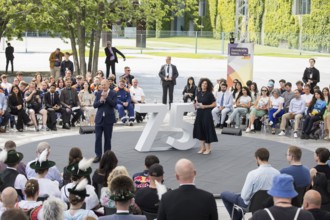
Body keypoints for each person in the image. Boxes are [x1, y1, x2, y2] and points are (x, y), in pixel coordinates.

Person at [221, 148, 280, 220]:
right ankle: (238, 214)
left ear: (257, 158)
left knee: (224, 194)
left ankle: (236, 217)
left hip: (252, 205)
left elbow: (244, 197)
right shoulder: (277, 173)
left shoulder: (253, 174)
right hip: (270, 204)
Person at [93, 79, 117, 163]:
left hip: (108, 119)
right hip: (99, 119)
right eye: (102, 85)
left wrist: (107, 97)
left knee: (108, 138)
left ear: (108, 85)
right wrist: (100, 101)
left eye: (104, 85)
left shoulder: (113, 93)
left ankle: (107, 156)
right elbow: (95, 105)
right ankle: (98, 155)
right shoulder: (99, 93)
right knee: (98, 138)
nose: (103, 86)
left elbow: (114, 104)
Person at [193, 78, 218, 155]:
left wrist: (205, 106)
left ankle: (208, 148)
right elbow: (197, 103)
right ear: (200, 84)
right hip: (199, 113)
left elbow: (214, 104)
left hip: (207, 113)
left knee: (207, 129)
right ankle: (202, 147)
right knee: (200, 129)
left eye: (206, 84)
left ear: (208, 85)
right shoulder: (198, 93)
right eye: (203, 83)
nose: (204, 85)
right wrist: (195, 105)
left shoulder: (209, 94)